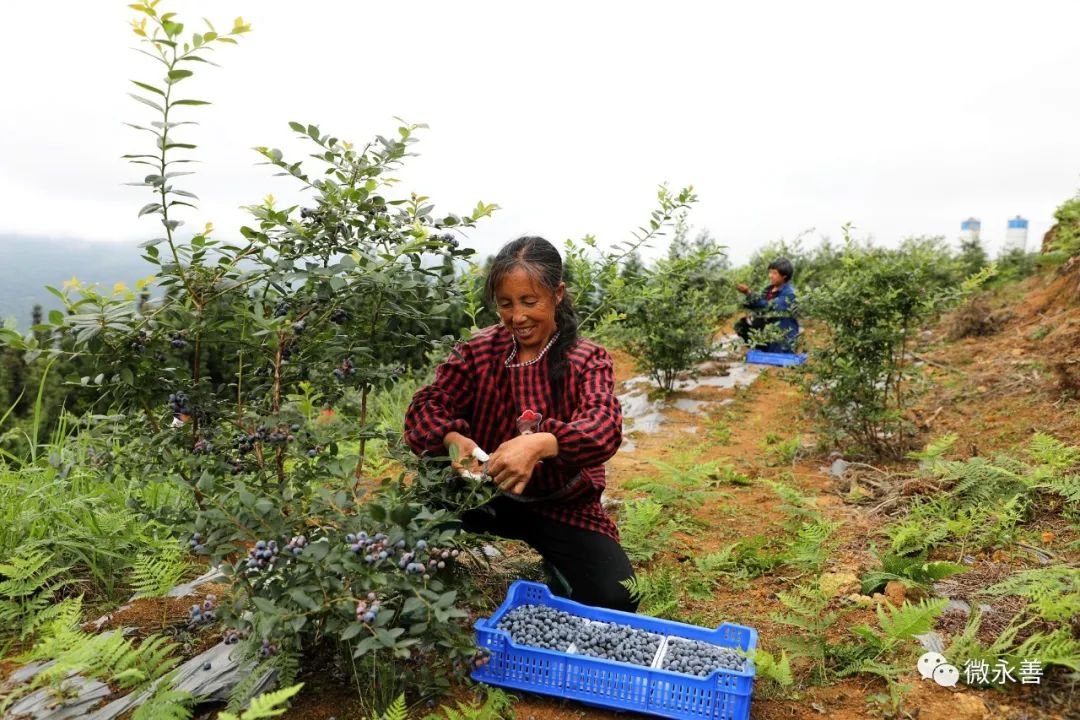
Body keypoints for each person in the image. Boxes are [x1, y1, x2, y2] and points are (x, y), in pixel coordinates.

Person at [403, 236, 638, 612]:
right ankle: (431, 598)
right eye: (505, 304)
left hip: (559, 503)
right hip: (482, 495)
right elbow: (426, 406)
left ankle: (560, 567)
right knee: (414, 537)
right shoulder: (479, 351)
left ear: (557, 294)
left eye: (530, 302)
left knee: (617, 596)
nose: (517, 317)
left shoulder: (586, 358)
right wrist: (450, 439)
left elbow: (603, 427)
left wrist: (542, 442)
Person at [734, 257, 799, 353]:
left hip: (782, 331)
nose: (770, 276)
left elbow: (769, 307)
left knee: (780, 352)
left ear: (784, 276)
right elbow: (757, 304)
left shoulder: (790, 294)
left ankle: (771, 349)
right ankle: (759, 348)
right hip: (767, 330)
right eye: (770, 272)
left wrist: (749, 292)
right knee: (741, 325)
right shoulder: (768, 290)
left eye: (774, 273)